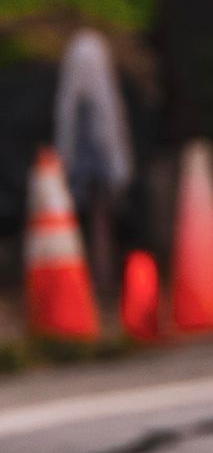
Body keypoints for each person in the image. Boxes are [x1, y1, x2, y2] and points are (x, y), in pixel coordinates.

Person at [52, 27, 133, 300]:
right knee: (92, 223)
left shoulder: (76, 100)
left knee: (96, 222)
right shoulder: (88, 99)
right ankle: (97, 278)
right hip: (89, 168)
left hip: (91, 169)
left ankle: (100, 277)